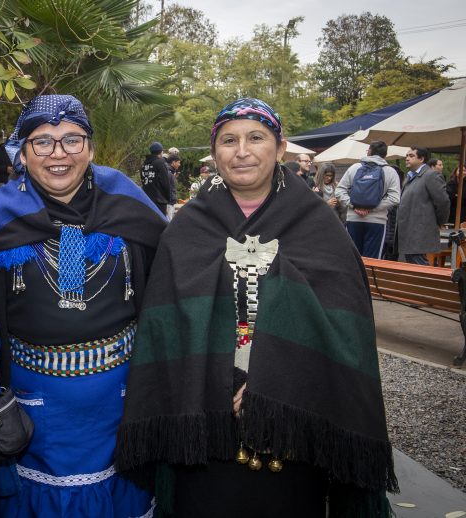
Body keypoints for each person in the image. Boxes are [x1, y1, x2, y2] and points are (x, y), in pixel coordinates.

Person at [117, 98, 397, 517]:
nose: (242, 150)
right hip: (207, 430)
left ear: (280, 149)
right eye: (228, 140)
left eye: (256, 137)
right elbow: (166, 330)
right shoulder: (187, 229)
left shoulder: (319, 226)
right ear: (215, 153)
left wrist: (271, 384)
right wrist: (221, 379)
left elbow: (343, 332)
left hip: (294, 427)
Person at [0, 95, 166, 518]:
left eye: (73, 140)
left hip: (121, 397)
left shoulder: (125, 198)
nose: (59, 154)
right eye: (43, 142)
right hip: (33, 405)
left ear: (89, 147)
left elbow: (175, 265)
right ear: (22, 152)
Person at [335, 141, 401, 258]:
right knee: (372, 261)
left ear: (369, 152)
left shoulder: (354, 168)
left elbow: (339, 191)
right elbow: (395, 198)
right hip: (377, 221)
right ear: (385, 155)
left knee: (353, 258)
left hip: (353, 219)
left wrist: (354, 206)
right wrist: (371, 209)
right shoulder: (390, 171)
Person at [397, 146, 450, 265]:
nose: (407, 159)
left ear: (421, 159)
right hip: (409, 230)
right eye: (406, 156)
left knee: (420, 266)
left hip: (420, 230)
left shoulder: (431, 175)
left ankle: (428, 284)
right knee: (413, 265)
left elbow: (443, 201)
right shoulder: (410, 176)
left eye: (411, 156)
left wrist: (440, 221)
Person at [140, 141, 172, 215]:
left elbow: (143, 181)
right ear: (161, 152)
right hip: (159, 201)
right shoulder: (160, 163)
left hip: (146, 200)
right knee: (161, 224)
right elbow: (165, 183)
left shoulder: (143, 165)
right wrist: (168, 200)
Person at [165, 154, 181, 220]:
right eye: (178, 162)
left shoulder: (170, 172)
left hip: (170, 202)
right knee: (168, 223)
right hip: (168, 203)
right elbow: (166, 188)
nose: (179, 164)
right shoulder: (168, 173)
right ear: (173, 162)